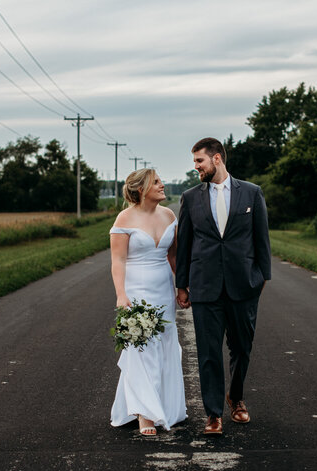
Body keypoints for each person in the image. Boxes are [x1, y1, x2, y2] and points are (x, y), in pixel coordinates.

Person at [176, 137, 271, 436]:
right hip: (205, 287)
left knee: (242, 348)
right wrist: (182, 284)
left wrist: (261, 279)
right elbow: (185, 245)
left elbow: (262, 241)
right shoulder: (190, 198)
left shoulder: (252, 193)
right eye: (194, 163)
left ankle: (236, 396)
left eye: (199, 161)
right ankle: (213, 413)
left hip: (243, 286)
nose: (196, 168)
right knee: (208, 352)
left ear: (216, 159)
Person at [109, 168, 187, 436]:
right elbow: (117, 261)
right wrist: (121, 295)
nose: (162, 185)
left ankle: (164, 405)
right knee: (141, 348)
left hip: (163, 288)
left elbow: (174, 257)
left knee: (164, 345)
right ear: (141, 189)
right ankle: (145, 415)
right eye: (156, 182)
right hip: (136, 289)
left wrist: (182, 286)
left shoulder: (169, 215)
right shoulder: (125, 218)